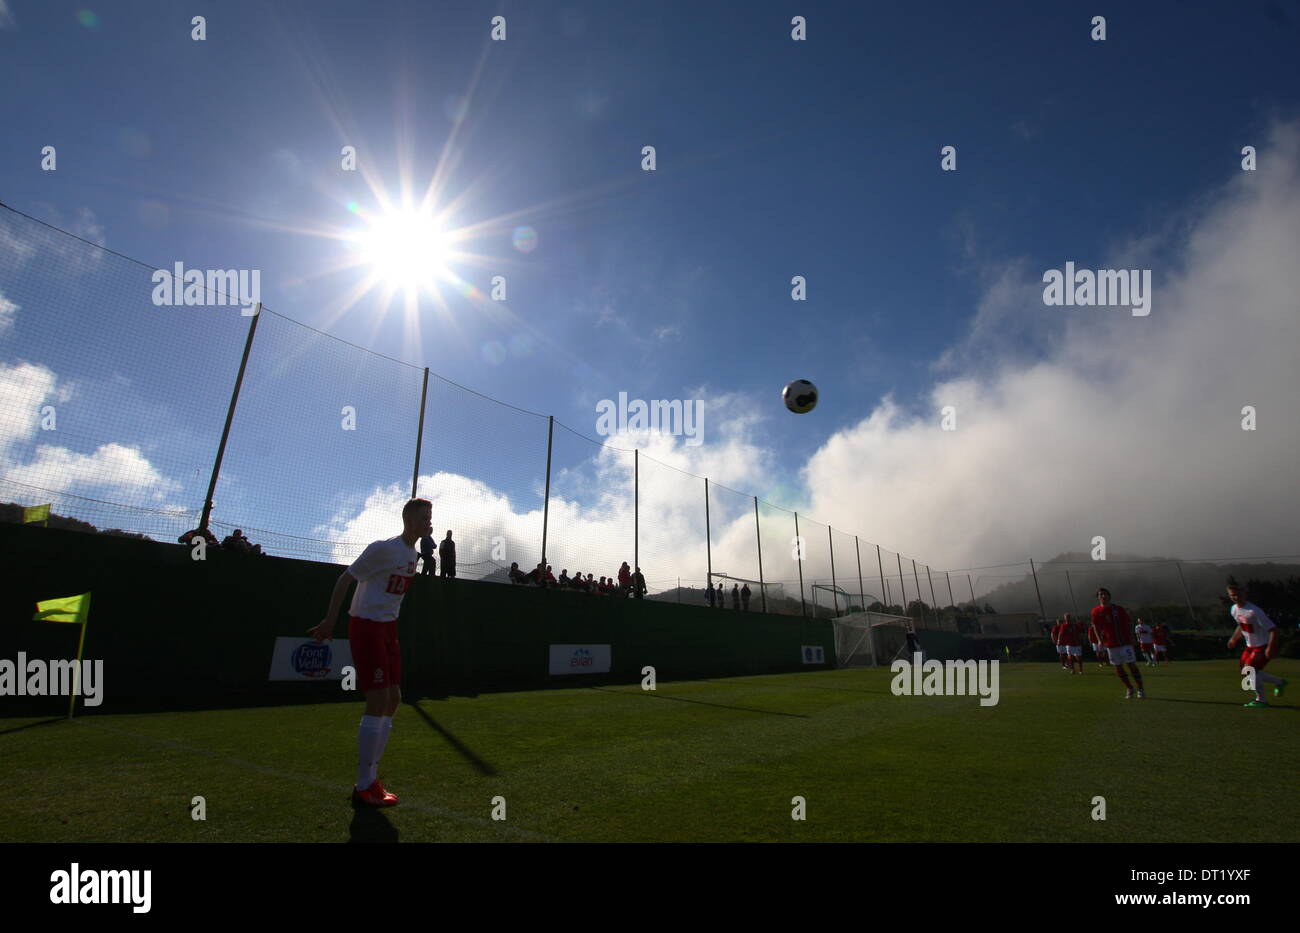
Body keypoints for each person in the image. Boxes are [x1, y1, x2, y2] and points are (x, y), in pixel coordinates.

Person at [308, 497, 431, 808]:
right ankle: (365, 783)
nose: (430, 522)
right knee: (377, 699)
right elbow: (344, 579)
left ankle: (372, 775)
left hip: (389, 630)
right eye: (424, 518)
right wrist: (330, 619)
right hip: (366, 626)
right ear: (409, 520)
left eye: (430, 517)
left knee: (394, 699)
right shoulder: (382, 548)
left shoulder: (412, 554)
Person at [1226, 581, 1287, 707]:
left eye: (1238, 594)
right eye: (1232, 595)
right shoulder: (1233, 609)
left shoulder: (1254, 611)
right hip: (1250, 646)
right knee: (1246, 671)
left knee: (1251, 671)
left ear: (1244, 594)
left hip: (1262, 645)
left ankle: (1261, 700)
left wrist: (1270, 648)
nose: (1235, 597)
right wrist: (1234, 639)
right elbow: (1241, 626)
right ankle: (1279, 682)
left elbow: (1273, 630)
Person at [1089, 587, 1146, 699]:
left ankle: (1140, 688)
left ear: (1109, 596)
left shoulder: (1118, 609)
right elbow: (1095, 627)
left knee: (1131, 665)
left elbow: (1128, 623)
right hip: (1110, 644)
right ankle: (1129, 688)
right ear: (1098, 597)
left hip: (1124, 642)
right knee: (1118, 667)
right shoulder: (1096, 611)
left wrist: (1132, 637)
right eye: (1100, 595)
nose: (1103, 596)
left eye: (1105, 594)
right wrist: (1099, 640)